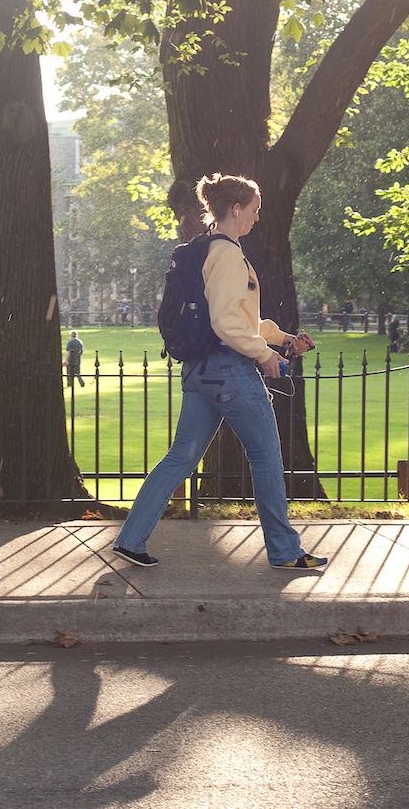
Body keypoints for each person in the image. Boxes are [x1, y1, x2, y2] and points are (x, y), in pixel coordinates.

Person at [112, 174, 329, 573]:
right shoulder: (227, 254)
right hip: (229, 370)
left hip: (200, 370)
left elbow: (239, 319)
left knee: (179, 458)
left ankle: (130, 539)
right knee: (266, 457)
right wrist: (263, 354)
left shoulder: (205, 250)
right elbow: (226, 322)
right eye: (254, 209)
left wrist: (280, 338)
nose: (257, 217)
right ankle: (284, 551)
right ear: (235, 209)